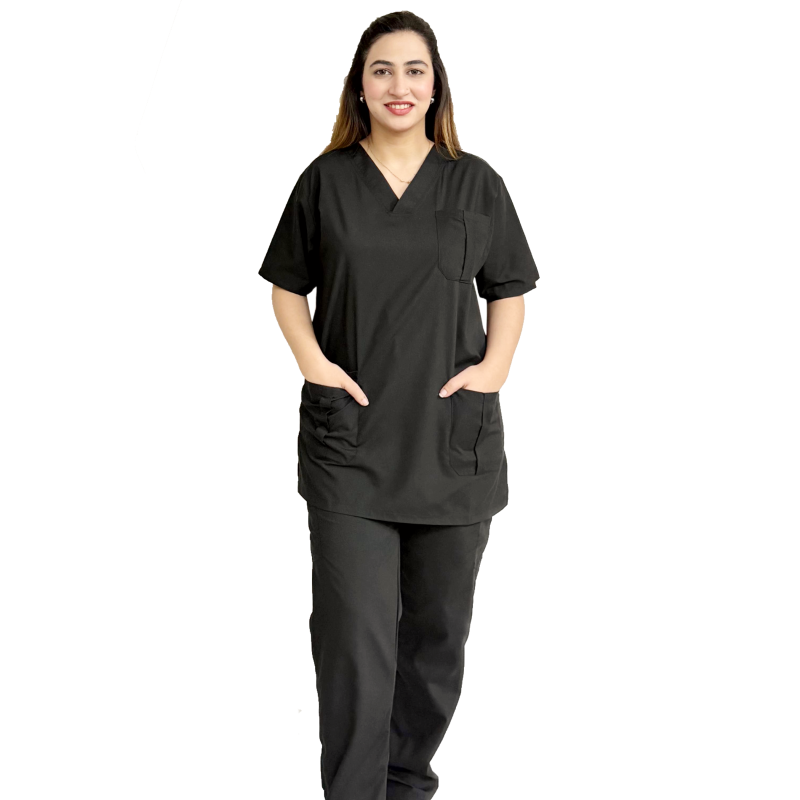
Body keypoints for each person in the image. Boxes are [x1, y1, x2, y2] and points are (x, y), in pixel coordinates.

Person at [258, 11, 540, 800]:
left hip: (451, 445)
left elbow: (509, 287)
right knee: (353, 644)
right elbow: (287, 286)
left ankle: (406, 786)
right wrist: (314, 364)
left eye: (415, 70)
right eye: (381, 70)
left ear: (436, 85)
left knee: (435, 644)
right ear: (360, 85)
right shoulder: (325, 181)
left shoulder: (475, 181)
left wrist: (494, 368)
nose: (399, 86)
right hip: (350, 449)